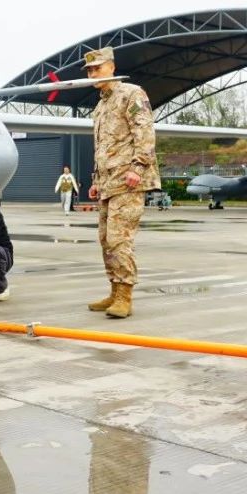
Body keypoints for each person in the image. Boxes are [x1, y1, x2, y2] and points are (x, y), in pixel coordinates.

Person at [83, 46, 161, 319]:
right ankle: (114, 290)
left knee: (119, 238)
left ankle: (125, 295)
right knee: (105, 239)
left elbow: (144, 131)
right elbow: (102, 146)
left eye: (98, 68)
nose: (93, 74)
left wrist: (139, 167)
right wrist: (96, 179)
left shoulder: (131, 93)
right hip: (108, 182)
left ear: (112, 67)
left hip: (129, 181)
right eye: (90, 70)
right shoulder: (101, 105)